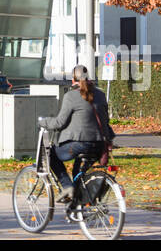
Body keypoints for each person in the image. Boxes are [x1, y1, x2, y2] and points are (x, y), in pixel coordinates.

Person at [39, 64, 115, 201]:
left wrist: (43, 122)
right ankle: (78, 204)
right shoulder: (101, 95)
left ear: (73, 80)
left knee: (52, 155)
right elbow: (105, 120)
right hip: (99, 146)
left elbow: (59, 123)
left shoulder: (71, 96)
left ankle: (67, 188)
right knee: (77, 172)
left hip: (81, 144)